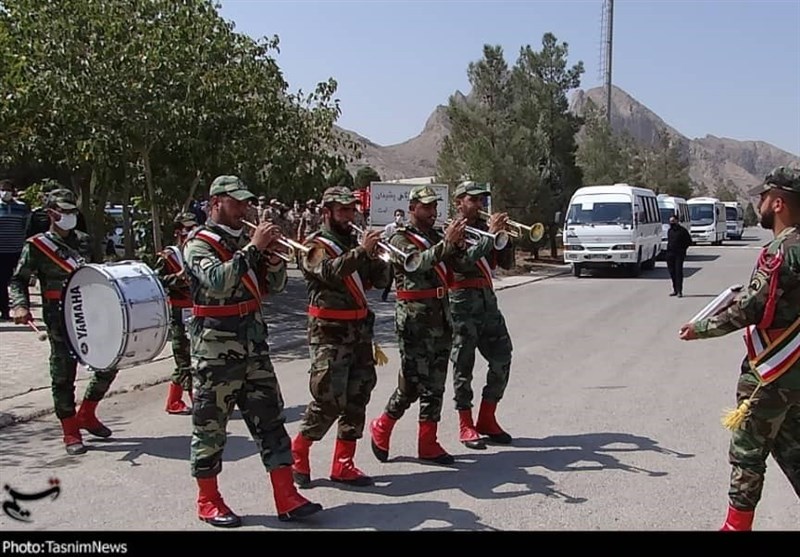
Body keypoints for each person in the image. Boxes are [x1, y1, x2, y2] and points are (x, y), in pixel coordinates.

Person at [182, 175, 321, 527]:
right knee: (211, 427)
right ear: (216, 203)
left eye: (246, 202)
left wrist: (272, 260)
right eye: (236, 202)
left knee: (271, 420)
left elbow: (274, 286)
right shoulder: (198, 243)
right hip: (215, 350)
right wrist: (254, 249)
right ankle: (208, 499)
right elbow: (218, 281)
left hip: (254, 347)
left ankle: (286, 496)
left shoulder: (246, 243)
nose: (244, 209)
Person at [679, 166, 800, 531]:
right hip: (795, 367)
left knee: (747, 451)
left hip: (773, 374)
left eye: (763, 197)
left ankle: (735, 528)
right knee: (794, 449)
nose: (759, 203)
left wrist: (702, 328)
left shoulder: (781, 251)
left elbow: (754, 308)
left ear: (778, 203)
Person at [291, 186, 390, 488]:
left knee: (358, 395)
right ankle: (299, 450)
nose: (349, 216)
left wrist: (378, 258)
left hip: (359, 330)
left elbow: (380, 281)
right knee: (329, 399)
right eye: (342, 210)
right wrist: (361, 251)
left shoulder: (355, 244)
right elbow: (329, 272)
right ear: (327, 212)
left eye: (352, 210)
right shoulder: (313, 245)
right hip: (329, 332)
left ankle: (343, 463)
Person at [9, 189, 117, 455]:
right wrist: (20, 305)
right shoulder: (37, 246)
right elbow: (18, 280)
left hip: (90, 313)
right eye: (63, 211)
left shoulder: (84, 241)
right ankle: (70, 431)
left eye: (72, 211)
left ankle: (87, 414)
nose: (69, 216)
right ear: (51, 214)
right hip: (58, 317)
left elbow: (97, 274)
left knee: (108, 364)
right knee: (63, 374)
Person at [369, 186, 467, 465]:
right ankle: (383, 424)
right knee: (412, 382)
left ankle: (428, 442)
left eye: (434, 206)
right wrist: (447, 244)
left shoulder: (436, 236)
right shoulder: (399, 238)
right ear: (412, 208)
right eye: (426, 207)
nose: (432, 211)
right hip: (414, 317)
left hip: (440, 314)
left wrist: (460, 246)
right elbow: (419, 263)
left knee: (436, 382)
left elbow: (460, 266)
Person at [448, 181, 515, 449]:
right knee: (463, 364)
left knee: (502, 356)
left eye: (481, 200)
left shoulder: (486, 228)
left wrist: (504, 238)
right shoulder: (452, 229)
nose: (479, 205)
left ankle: (487, 417)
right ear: (458, 202)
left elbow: (507, 264)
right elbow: (463, 263)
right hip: (462, 303)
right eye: (473, 200)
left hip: (488, 302)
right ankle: (465, 423)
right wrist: (490, 235)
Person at [153, 211, 199, 415]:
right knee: (183, 358)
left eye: (194, 227)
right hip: (179, 311)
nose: (191, 232)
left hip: (198, 309)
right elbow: (156, 281)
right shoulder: (169, 256)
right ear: (177, 232)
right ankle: (176, 401)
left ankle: (195, 398)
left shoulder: (198, 251)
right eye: (187, 229)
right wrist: (178, 278)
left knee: (198, 357)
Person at [0, 180, 29, 321]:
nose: (5, 192)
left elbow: (26, 226)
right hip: (1, 251)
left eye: (8, 189)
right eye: (2, 189)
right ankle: (4, 311)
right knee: (1, 282)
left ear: (13, 191)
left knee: (21, 280)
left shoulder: (22, 207)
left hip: (18, 250)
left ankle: (24, 310)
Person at [381, 209, 405, 302]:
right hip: (391, 255)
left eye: (401, 215)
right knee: (390, 277)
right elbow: (384, 238)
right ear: (394, 216)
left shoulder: (405, 228)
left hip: (401, 257)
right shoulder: (389, 227)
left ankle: (401, 296)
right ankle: (385, 294)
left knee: (400, 277)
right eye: (398, 215)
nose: (399, 217)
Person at [665, 213, 692, 297]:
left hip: (679, 255)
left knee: (678, 272)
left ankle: (679, 291)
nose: (671, 223)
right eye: (670, 221)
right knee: (672, 272)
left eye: (673, 221)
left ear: (677, 221)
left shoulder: (682, 231)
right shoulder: (670, 231)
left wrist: (682, 249)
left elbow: (689, 241)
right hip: (670, 254)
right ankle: (675, 290)